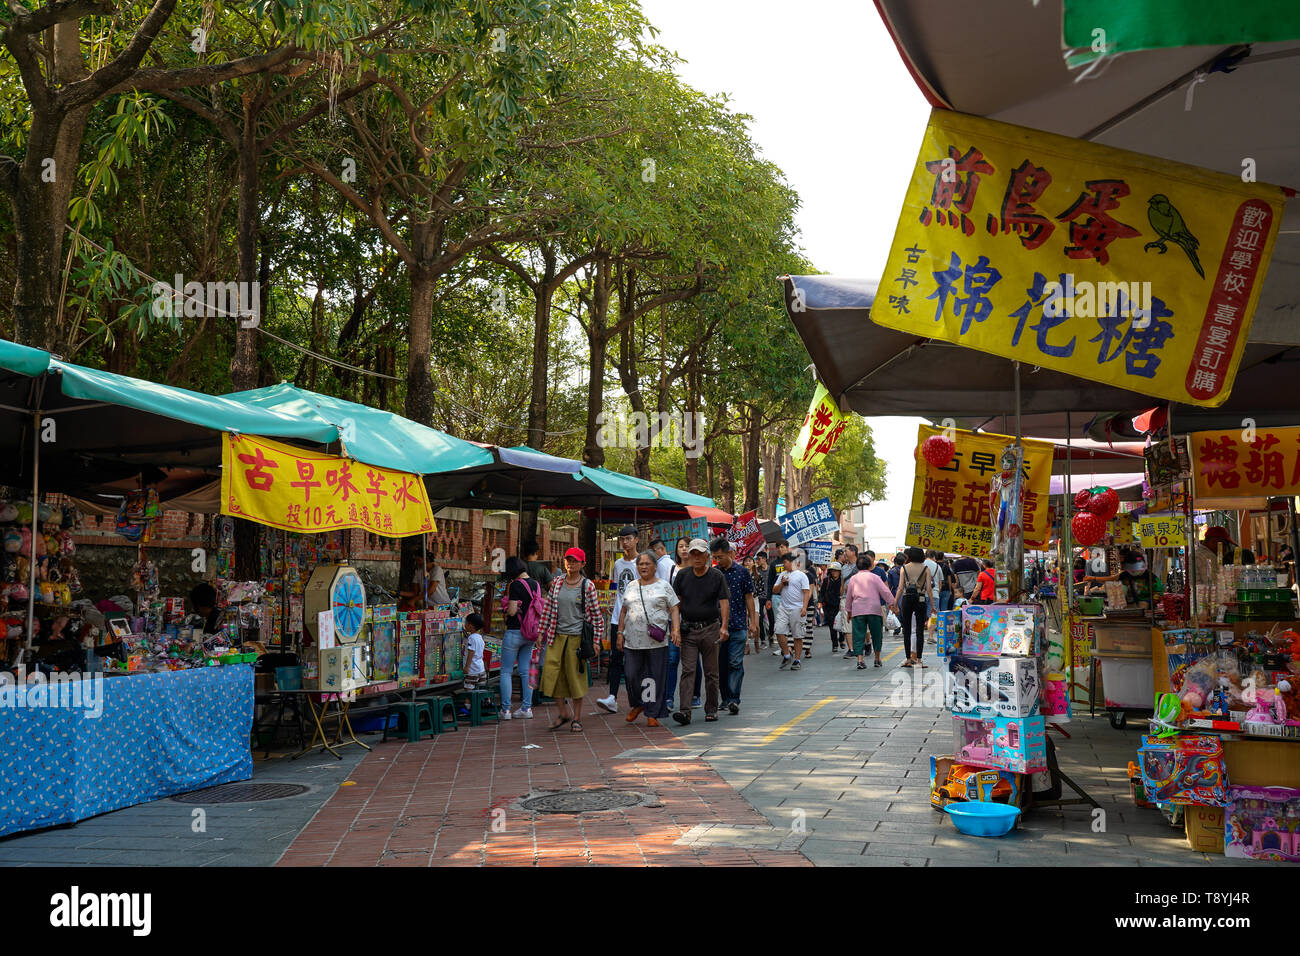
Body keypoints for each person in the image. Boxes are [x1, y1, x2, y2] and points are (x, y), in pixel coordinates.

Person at [538, 547, 605, 733]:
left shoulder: (587, 586)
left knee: (575, 679)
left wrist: (596, 641)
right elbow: (548, 610)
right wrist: (540, 633)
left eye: (575, 561)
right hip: (555, 637)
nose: (570, 563)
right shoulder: (557, 583)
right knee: (551, 676)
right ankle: (563, 712)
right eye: (568, 560)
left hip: (577, 640)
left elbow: (597, 617)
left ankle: (576, 718)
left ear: (582, 564)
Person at [618, 551, 680, 727]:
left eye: (647, 564)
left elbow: (674, 608)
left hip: (656, 641)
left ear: (655, 566)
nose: (643, 567)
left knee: (653, 678)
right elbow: (623, 611)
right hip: (632, 641)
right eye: (640, 564)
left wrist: (675, 630)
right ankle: (638, 705)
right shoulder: (630, 586)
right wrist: (619, 633)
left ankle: (652, 713)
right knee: (631, 675)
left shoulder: (664, 586)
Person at [671, 539, 729, 725]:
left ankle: (711, 709)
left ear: (707, 556)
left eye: (700, 554)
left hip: (710, 628)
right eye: (693, 553)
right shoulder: (682, 576)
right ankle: (685, 710)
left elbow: (724, 602)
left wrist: (724, 626)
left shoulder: (716, 576)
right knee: (688, 670)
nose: (696, 557)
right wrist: (676, 629)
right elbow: (676, 604)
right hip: (689, 630)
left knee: (711, 672)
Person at [596, 525, 640, 715]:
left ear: (636, 539)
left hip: (636, 618)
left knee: (634, 660)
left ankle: (637, 700)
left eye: (629, 538)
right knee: (616, 657)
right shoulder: (618, 564)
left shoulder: (642, 562)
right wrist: (610, 604)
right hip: (617, 617)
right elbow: (617, 589)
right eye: (622, 539)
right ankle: (612, 697)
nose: (625, 542)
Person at [710, 537, 756, 715]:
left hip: (738, 625)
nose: (718, 560)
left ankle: (734, 700)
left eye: (720, 556)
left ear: (730, 553)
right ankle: (725, 698)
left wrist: (753, 621)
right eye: (715, 557)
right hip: (718, 627)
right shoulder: (713, 573)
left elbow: (749, 598)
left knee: (735, 663)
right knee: (720, 665)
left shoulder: (742, 572)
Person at [499, 556, 541, 719]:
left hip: (515, 632)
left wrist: (505, 607)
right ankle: (526, 709)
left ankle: (506, 710)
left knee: (506, 671)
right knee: (526, 671)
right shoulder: (536, 584)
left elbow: (511, 611)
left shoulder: (515, 584)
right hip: (530, 633)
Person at [664, 536, 702, 711]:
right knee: (672, 660)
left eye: (687, 546)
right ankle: (669, 697)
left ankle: (695, 695)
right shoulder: (672, 569)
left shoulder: (699, 570)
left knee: (695, 662)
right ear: (676, 549)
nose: (684, 549)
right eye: (681, 546)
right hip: (674, 621)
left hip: (694, 621)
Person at [845, 554, 897, 668]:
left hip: (858, 610)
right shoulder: (875, 577)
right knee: (877, 634)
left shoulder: (853, 579)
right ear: (870, 565)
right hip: (874, 609)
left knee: (858, 635)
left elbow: (849, 596)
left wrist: (849, 611)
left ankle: (860, 660)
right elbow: (886, 591)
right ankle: (877, 659)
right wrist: (892, 604)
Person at [771, 549, 811, 671]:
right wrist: (782, 584)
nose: (784, 564)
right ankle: (787, 654)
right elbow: (774, 590)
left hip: (797, 608)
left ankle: (797, 659)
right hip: (783, 607)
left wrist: (804, 607)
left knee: (797, 635)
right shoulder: (783, 575)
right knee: (778, 631)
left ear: (793, 562)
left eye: (786, 562)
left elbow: (806, 592)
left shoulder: (802, 575)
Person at [894, 546, 931, 668]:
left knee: (907, 630)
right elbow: (929, 589)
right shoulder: (926, 569)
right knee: (920, 630)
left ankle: (908, 659)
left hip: (906, 599)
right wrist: (933, 605)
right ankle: (919, 660)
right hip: (920, 599)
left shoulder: (904, 568)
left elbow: (900, 588)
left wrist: (894, 603)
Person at [821, 561, 845, 654]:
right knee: (832, 626)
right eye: (832, 571)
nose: (834, 573)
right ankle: (834, 644)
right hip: (829, 606)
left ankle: (842, 640)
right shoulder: (826, 580)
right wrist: (820, 602)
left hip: (840, 605)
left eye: (836, 571)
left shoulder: (842, 580)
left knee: (842, 624)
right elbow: (822, 592)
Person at [461, 612, 487, 691]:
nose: (464, 624)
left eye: (466, 623)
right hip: (481, 670)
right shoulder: (480, 637)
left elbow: (471, 652)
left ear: (470, 626)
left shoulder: (471, 638)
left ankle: (468, 704)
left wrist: (467, 667)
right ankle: (478, 703)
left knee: (469, 692)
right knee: (479, 692)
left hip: (472, 671)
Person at [752, 552, 770, 651]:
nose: (757, 561)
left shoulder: (771, 569)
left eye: (758, 559)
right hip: (759, 597)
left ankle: (771, 635)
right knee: (760, 619)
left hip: (769, 597)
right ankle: (763, 640)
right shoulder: (756, 571)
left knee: (772, 618)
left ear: (764, 559)